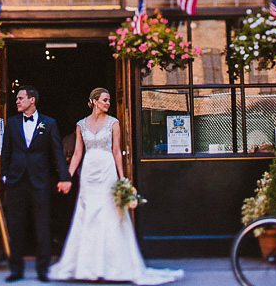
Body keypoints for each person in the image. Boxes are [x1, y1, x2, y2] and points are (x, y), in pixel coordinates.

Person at [49, 88, 183, 285]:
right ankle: (89, 266)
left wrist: (122, 178)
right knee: (87, 215)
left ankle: (113, 265)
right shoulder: (80, 125)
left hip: (107, 170)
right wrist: (67, 176)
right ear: (94, 101)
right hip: (88, 172)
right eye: (104, 100)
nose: (108, 103)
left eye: (109, 100)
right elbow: (77, 153)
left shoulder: (114, 123)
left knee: (109, 214)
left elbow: (116, 151)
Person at [0, 86, 72, 283]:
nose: (17, 101)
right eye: (17, 98)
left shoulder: (48, 123)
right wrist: (5, 175)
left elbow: (57, 151)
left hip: (39, 180)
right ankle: (16, 269)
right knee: (16, 225)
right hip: (16, 180)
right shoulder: (12, 123)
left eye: (20, 98)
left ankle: (42, 269)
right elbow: (5, 151)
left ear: (32, 100)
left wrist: (64, 177)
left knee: (42, 225)